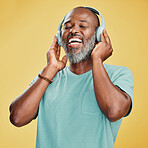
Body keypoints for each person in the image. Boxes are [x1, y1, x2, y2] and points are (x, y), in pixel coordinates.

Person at [9, 6, 134, 148]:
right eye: (67, 27)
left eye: (83, 26)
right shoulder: (48, 78)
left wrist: (97, 59)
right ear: (59, 37)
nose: (73, 31)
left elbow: (114, 111)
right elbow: (17, 118)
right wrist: (50, 69)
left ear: (99, 35)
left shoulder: (118, 74)